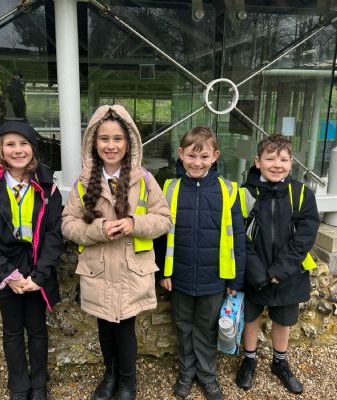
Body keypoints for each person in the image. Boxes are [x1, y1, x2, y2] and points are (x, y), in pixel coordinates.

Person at [62, 104, 171, 400]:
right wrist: (98, 229)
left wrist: (134, 224)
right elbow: (68, 224)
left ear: (129, 142)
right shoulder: (84, 182)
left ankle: (127, 382)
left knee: (124, 330)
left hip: (130, 271)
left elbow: (164, 219)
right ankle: (109, 376)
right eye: (104, 139)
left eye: (117, 138)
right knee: (105, 330)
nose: (111, 146)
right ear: (93, 143)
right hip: (98, 270)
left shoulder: (145, 179)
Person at [0, 121, 63, 400]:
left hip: (36, 270)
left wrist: (39, 275)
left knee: (37, 329)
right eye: (10, 144)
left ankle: (39, 383)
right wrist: (7, 273)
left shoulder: (47, 187)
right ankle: (19, 386)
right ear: (0, 149)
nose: (17, 150)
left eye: (24, 144)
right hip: (4, 271)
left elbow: (55, 235)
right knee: (12, 331)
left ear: (33, 149)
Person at [156, 126, 246, 400]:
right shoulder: (169, 188)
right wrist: (162, 272)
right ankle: (186, 372)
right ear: (180, 154)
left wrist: (235, 279)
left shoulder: (228, 190)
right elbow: (160, 236)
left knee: (207, 327)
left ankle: (207, 375)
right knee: (183, 326)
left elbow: (238, 238)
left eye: (204, 157)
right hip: (179, 276)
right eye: (191, 156)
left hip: (214, 278)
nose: (197, 163)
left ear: (215, 156)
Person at [235, 134, 320, 394]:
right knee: (250, 317)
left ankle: (279, 362)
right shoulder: (244, 193)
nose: (276, 165)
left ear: (291, 162)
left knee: (283, 319)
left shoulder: (302, 194)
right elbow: (238, 236)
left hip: (289, 272)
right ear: (257, 161)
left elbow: (305, 237)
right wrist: (257, 272)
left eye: (283, 159)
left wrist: (279, 271)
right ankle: (249, 359)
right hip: (254, 271)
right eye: (270, 158)